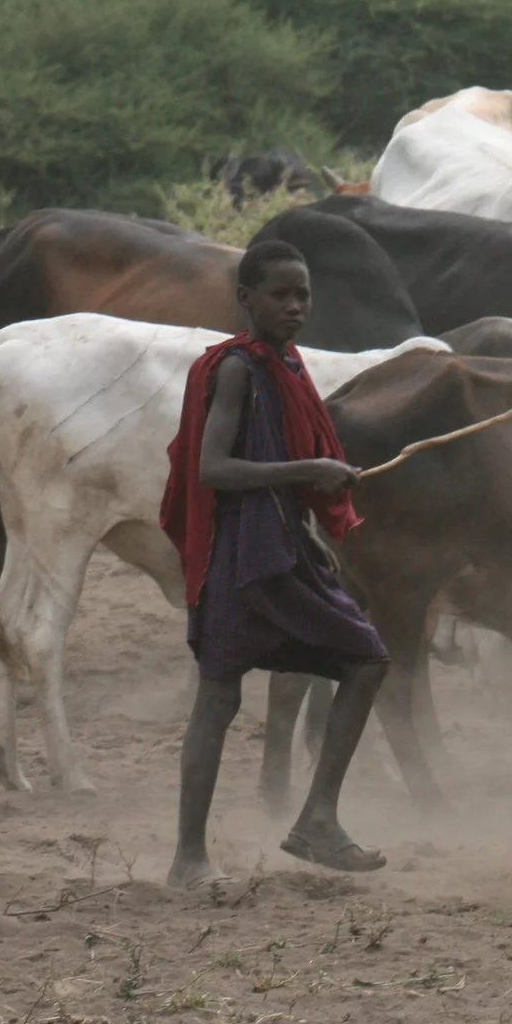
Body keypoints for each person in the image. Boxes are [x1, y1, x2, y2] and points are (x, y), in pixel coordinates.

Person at [157, 240, 391, 888]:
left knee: (352, 661)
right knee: (229, 695)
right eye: (280, 294)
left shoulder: (284, 364)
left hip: (275, 547)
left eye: (303, 294)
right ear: (245, 300)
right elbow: (213, 468)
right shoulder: (238, 368)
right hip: (246, 555)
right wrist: (310, 469)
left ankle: (300, 824)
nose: (294, 306)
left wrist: (318, 478)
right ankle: (202, 853)